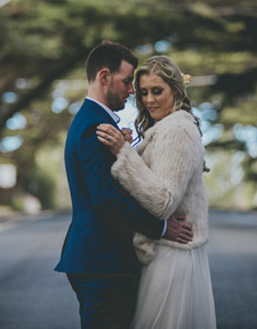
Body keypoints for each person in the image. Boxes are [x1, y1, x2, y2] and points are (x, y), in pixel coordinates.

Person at [55, 41, 194, 329]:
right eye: (127, 82)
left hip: (103, 261)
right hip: (102, 261)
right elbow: (105, 197)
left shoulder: (101, 124)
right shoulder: (96, 126)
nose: (133, 91)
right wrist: (163, 228)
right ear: (104, 77)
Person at [96, 55, 216, 328]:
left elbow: (163, 202)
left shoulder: (176, 131)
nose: (149, 99)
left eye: (157, 91)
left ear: (176, 90)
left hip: (171, 256)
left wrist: (122, 153)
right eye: (144, 92)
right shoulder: (166, 128)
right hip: (166, 251)